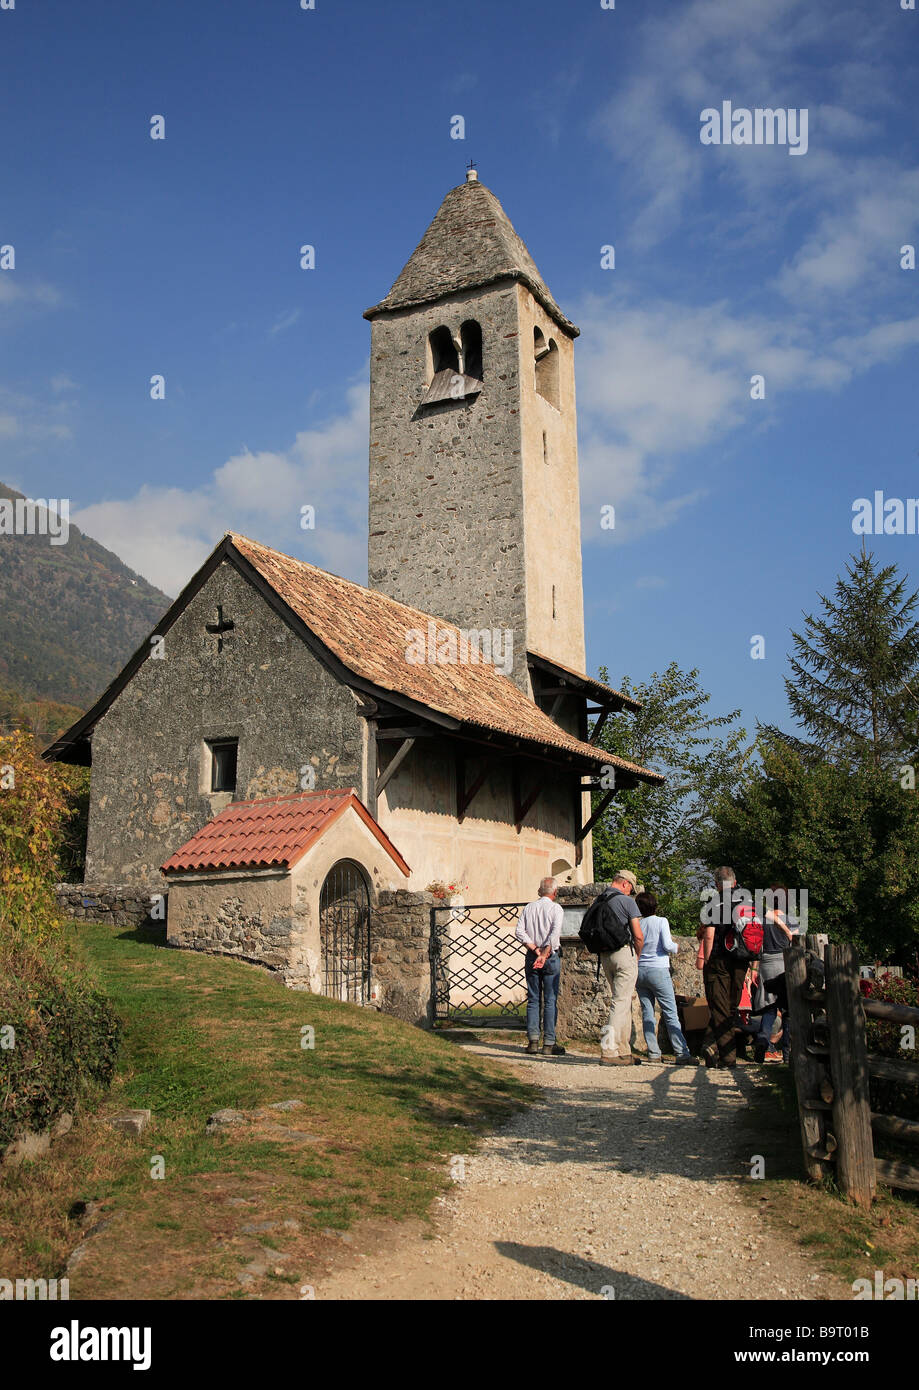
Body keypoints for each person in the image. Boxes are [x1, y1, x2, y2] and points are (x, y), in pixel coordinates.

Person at [697, 866, 750, 1069]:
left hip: (720, 958)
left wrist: (708, 960)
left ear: (717, 884)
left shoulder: (715, 901)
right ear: (735, 882)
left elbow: (709, 934)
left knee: (720, 1007)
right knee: (730, 1006)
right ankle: (711, 1046)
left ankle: (727, 1057)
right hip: (743, 958)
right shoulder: (748, 899)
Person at [634, 890, 694, 1064]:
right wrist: (677, 947)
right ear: (655, 905)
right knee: (670, 1011)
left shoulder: (637, 923)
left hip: (641, 970)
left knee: (647, 1011)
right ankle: (681, 1052)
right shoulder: (661, 921)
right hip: (658, 969)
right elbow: (667, 945)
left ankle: (653, 1052)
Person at [598, 870, 645, 1066]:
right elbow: (638, 935)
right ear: (625, 883)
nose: (630, 892)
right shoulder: (627, 902)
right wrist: (638, 954)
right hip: (623, 953)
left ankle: (623, 1050)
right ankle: (608, 1050)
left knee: (622, 1001)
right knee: (620, 1002)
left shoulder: (600, 899)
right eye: (631, 888)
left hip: (605, 955)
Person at [515, 876, 565, 1056]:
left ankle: (533, 1040)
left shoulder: (529, 908)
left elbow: (519, 931)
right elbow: (554, 934)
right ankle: (549, 1043)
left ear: (539, 891)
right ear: (555, 892)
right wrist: (544, 954)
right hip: (550, 956)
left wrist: (535, 950)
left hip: (532, 955)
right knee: (550, 999)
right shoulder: (556, 908)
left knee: (534, 998)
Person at [753, 884, 799, 1064]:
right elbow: (795, 942)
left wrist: (754, 969)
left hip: (765, 962)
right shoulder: (790, 919)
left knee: (769, 1008)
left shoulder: (762, 920)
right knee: (788, 1010)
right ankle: (788, 1054)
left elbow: (757, 945)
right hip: (784, 962)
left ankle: (763, 1039)